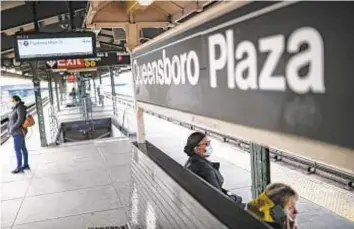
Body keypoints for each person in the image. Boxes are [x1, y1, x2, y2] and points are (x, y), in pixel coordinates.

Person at [184, 131, 244, 206]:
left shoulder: (191, 162)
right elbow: (219, 199)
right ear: (197, 149)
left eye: (209, 143)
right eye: (206, 144)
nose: (209, 146)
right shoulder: (204, 168)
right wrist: (236, 198)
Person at [8, 95, 30, 173]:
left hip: (18, 132)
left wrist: (12, 128)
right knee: (23, 148)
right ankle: (26, 165)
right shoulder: (17, 108)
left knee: (17, 150)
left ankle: (19, 167)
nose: (12, 102)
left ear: (17, 101)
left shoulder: (20, 108)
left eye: (12, 101)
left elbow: (20, 120)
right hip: (18, 132)